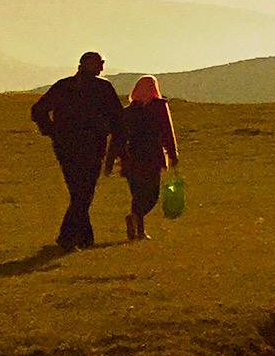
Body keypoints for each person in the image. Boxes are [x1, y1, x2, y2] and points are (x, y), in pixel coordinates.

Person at [29, 51, 123, 249]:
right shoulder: (102, 88)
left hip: (65, 147)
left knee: (78, 191)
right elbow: (117, 118)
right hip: (92, 147)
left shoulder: (64, 86)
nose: (102, 68)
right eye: (100, 63)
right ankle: (67, 237)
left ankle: (85, 238)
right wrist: (118, 142)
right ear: (92, 65)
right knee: (83, 192)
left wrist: (51, 131)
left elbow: (38, 110)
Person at [109, 75, 181, 241]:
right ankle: (136, 219)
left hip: (131, 157)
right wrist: (172, 154)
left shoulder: (128, 111)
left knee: (137, 194)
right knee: (152, 194)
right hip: (152, 155)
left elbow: (118, 137)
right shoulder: (159, 107)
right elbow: (167, 131)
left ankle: (139, 229)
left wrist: (112, 160)